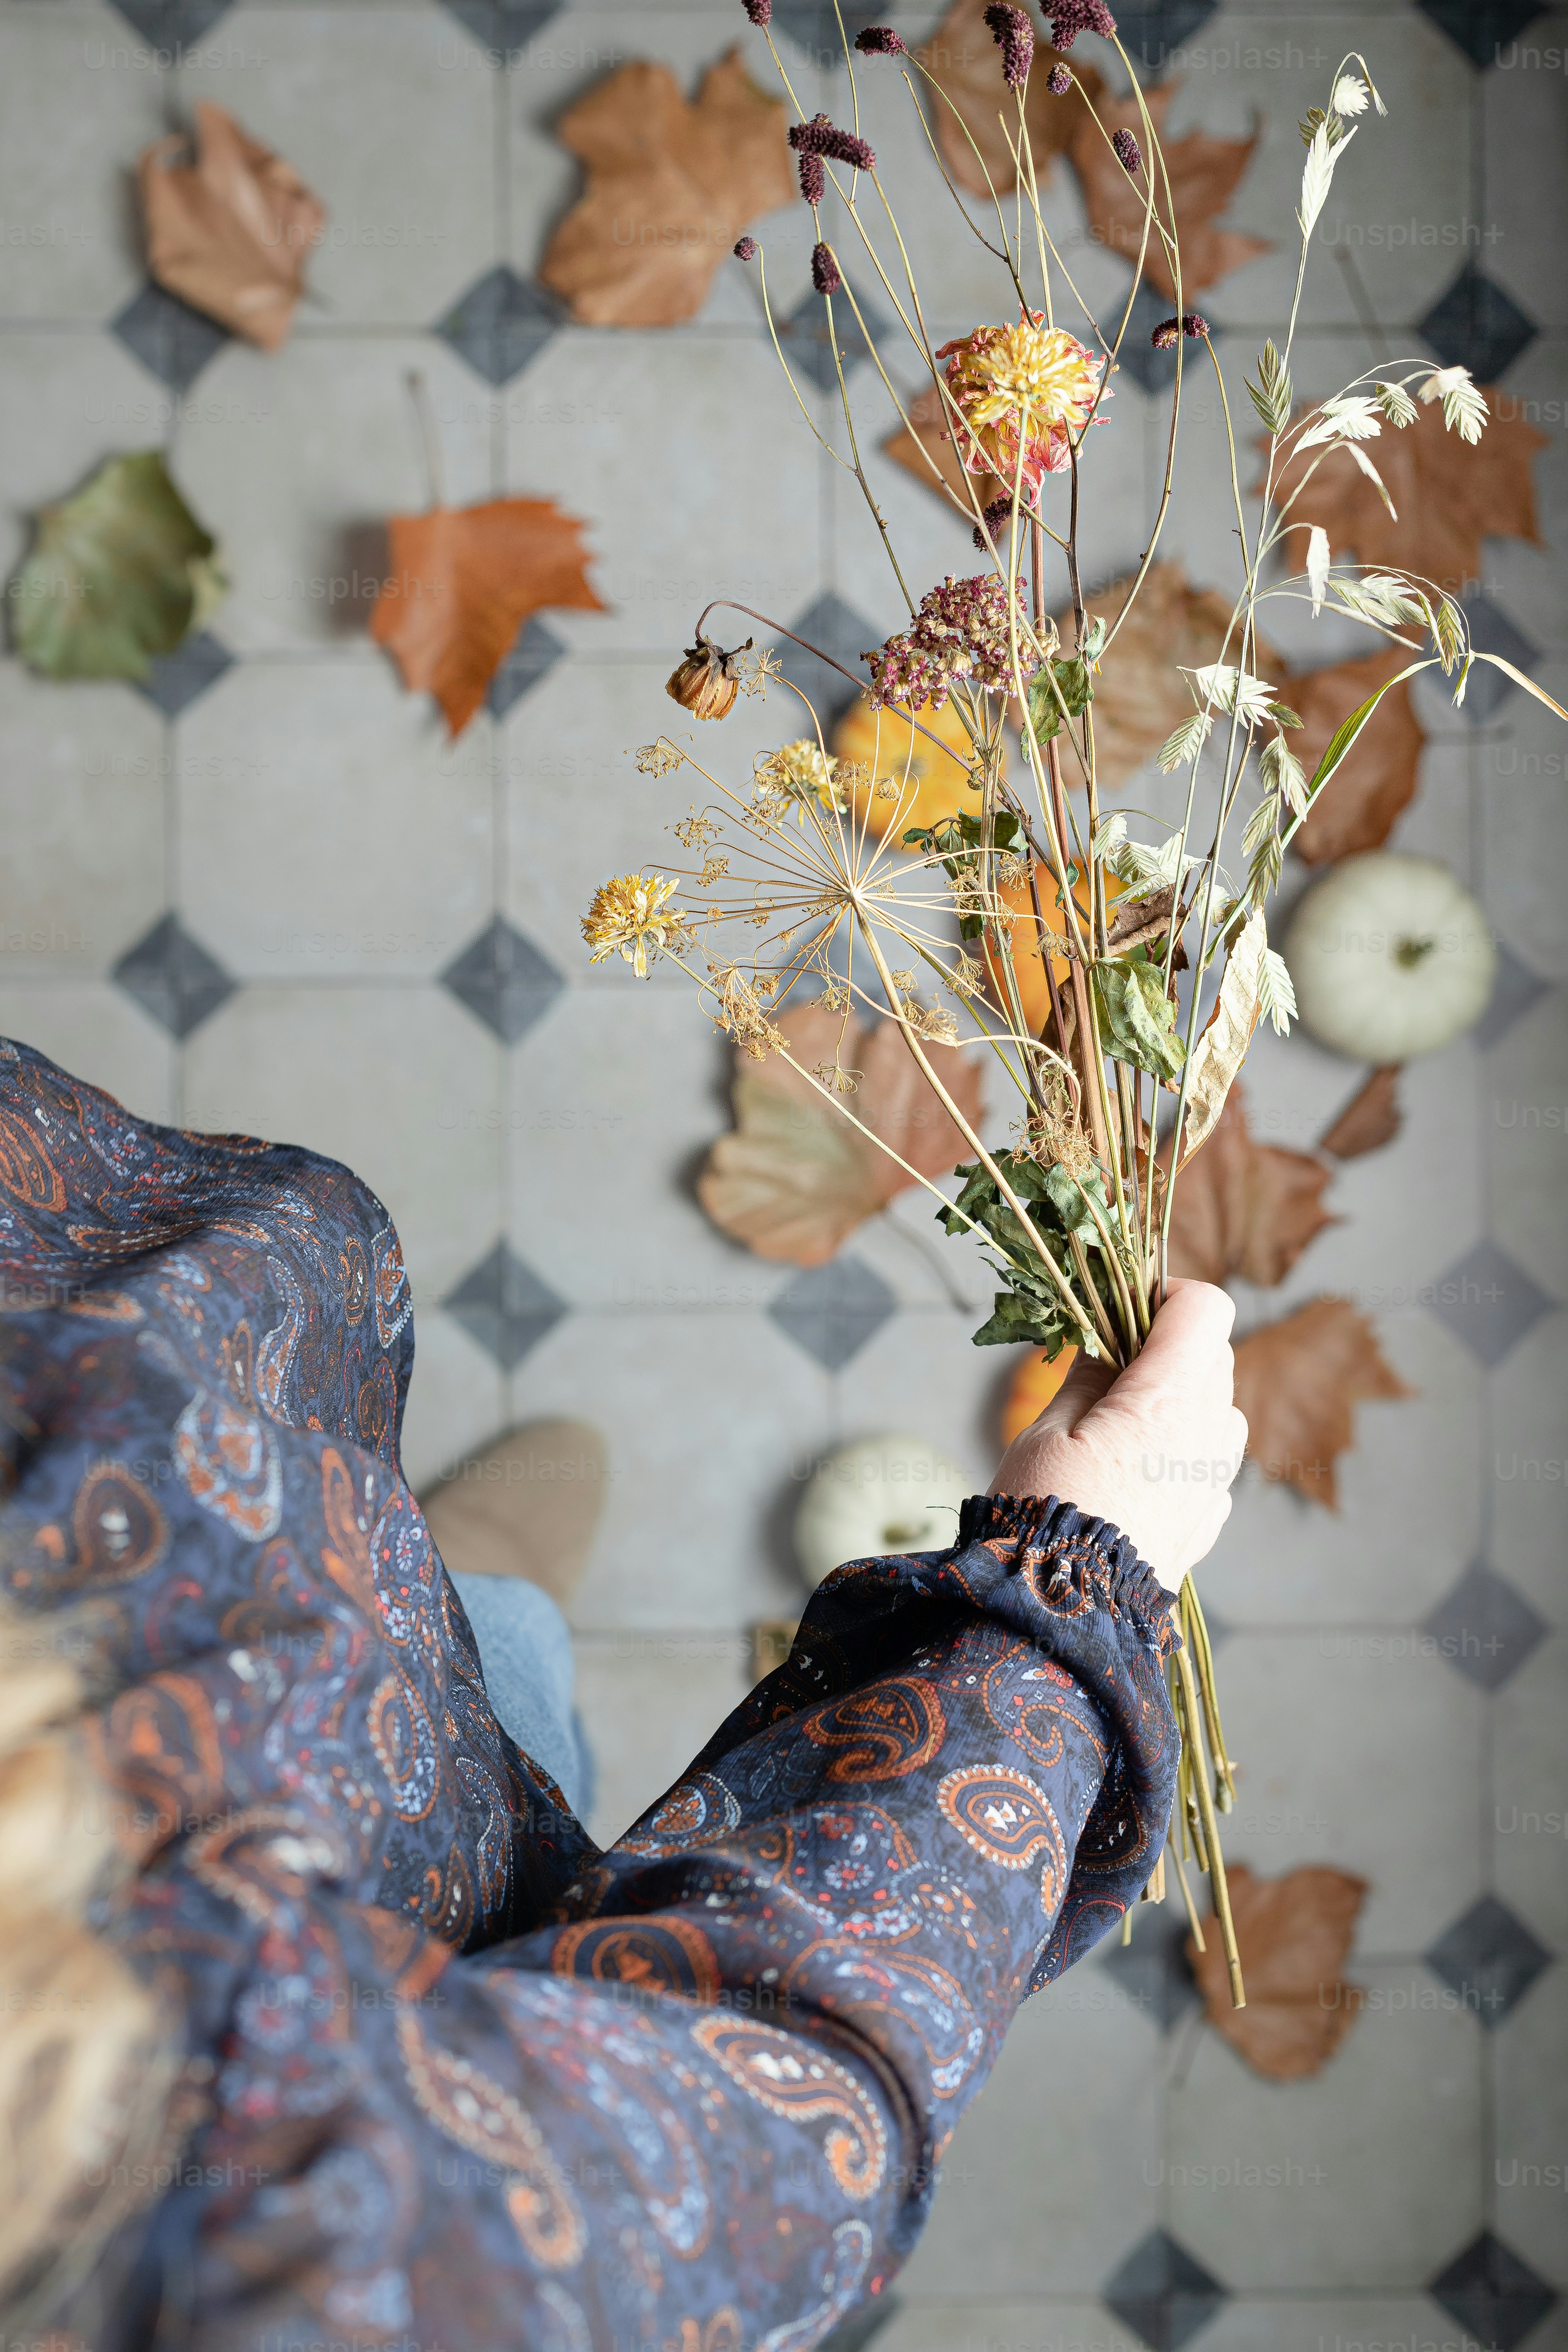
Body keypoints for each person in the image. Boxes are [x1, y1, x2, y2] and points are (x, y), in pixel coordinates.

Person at [0, 1038, 1244, 2347]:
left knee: (474, 1620)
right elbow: (744, 2142)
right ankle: (489, 1579)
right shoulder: (146, 2173)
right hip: (403, 1882)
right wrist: (1067, 1583)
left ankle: (471, 1571)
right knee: (511, 1660)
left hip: (258, 1614)